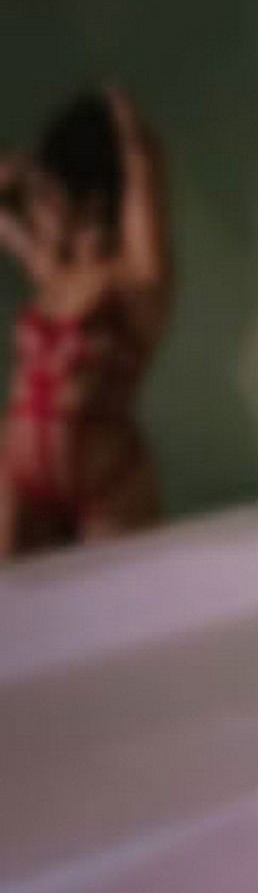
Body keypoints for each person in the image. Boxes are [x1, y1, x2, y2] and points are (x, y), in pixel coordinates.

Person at [0, 87, 171, 556]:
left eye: (47, 196)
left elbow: (145, 181)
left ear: (88, 203)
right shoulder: (50, 272)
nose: (36, 208)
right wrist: (23, 169)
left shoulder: (133, 283)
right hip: (22, 483)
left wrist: (128, 130)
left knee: (128, 601)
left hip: (108, 486)